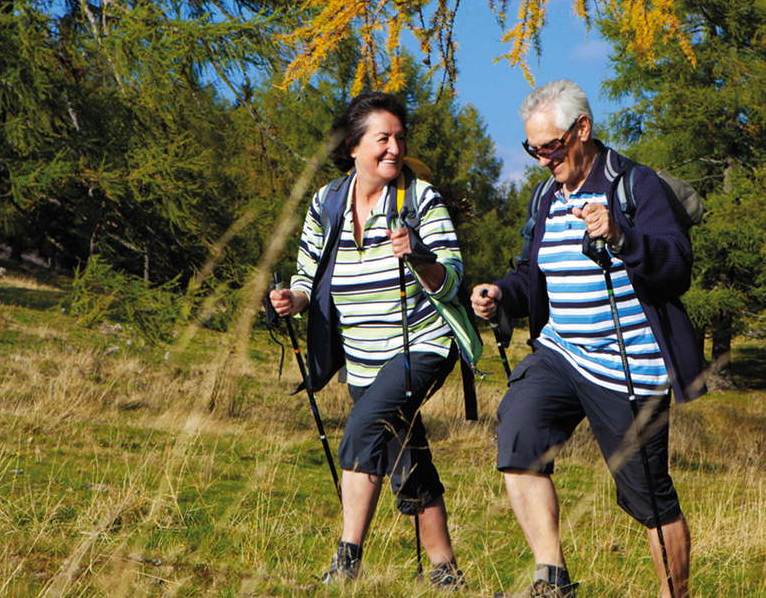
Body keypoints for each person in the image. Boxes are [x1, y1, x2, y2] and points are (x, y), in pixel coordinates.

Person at [470, 79, 704, 598]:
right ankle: (550, 579)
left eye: (549, 147)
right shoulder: (546, 196)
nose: (539, 160)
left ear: (582, 129)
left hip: (628, 363)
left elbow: (677, 264)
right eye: (531, 149)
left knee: (647, 496)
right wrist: (500, 295)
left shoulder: (633, 184)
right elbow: (532, 275)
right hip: (561, 353)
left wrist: (622, 237)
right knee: (519, 435)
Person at [269, 92, 467, 588]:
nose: (395, 148)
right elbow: (307, 273)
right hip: (361, 360)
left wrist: (418, 257)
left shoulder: (421, 199)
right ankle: (445, 574)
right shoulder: (327, 201)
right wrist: (292, 300)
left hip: (421, 347)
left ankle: (347, 561)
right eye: (383, 138)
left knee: (363, 426)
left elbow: (453, 278)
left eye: (400, 138)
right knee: (406, 456)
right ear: (354, 146)